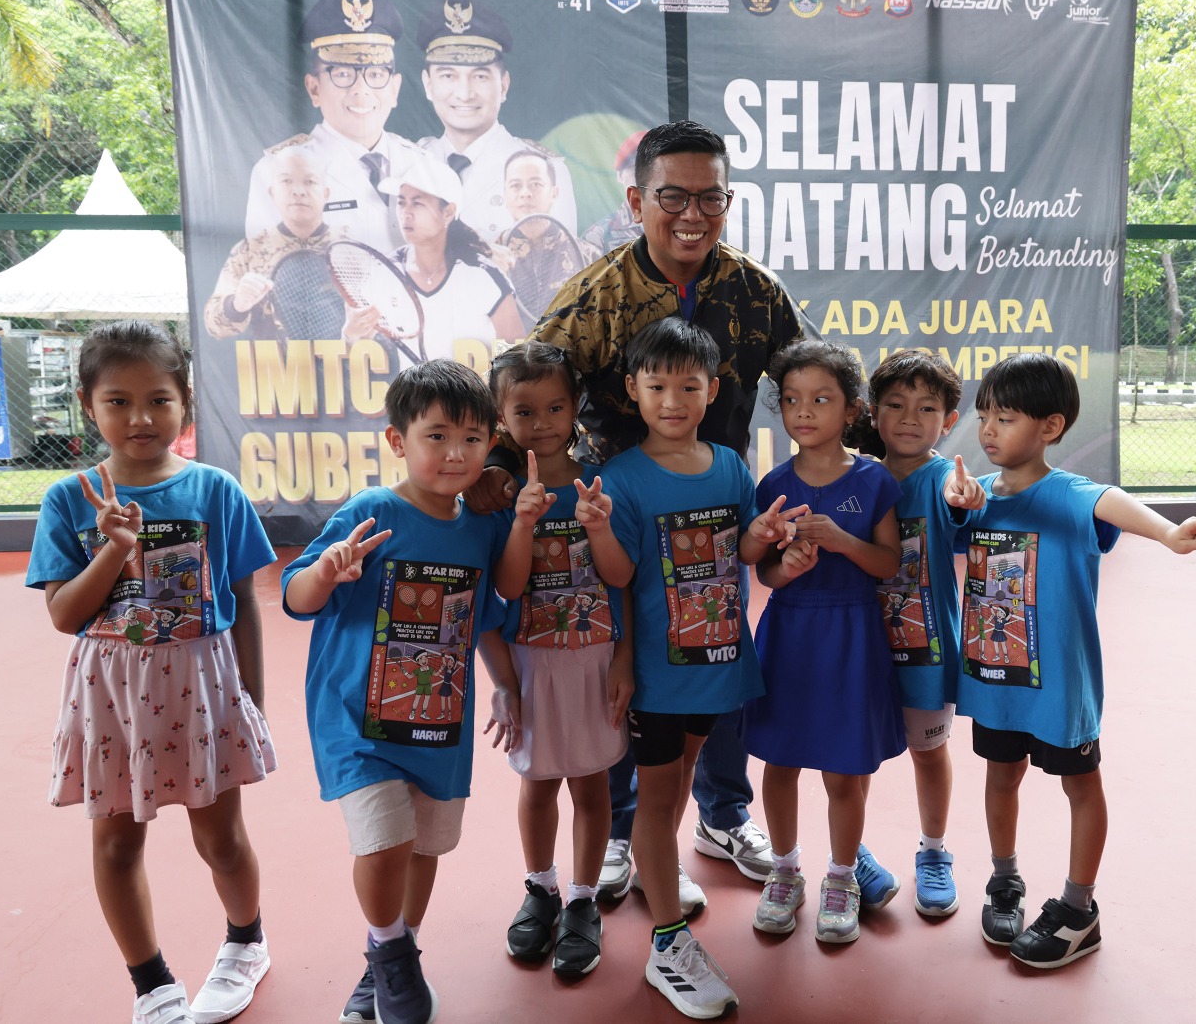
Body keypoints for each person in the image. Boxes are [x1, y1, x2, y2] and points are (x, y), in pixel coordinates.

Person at [468, 120, 807, 904]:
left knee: (718, 652)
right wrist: (490, 468)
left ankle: (723, 815)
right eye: (673, 197)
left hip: (714, 510)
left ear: (728, 202)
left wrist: (888, 460)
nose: (693, 214)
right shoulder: (595, 298)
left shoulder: (756, 292)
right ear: (635, 202)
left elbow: (809, 377)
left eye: (711, 198)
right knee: (631, 675)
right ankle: (627, 831)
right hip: (617, 515)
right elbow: (523, 386)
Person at [27, 320, 277, 1024]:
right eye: (118, 401)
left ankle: (246, 943)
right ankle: (152, 983)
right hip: (112, 695)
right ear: (88, 405)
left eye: (158, 399)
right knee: (115, 842)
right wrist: (114, 551)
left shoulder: (216, 490)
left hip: (204, 688)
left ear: (185, 401)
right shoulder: (69, 498)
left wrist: (251, 701)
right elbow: (64, 615)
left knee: (220, 838)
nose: (140, 418)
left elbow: (242, 602)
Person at [947, 353, 1196, 968]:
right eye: (984, 416)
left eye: (1005, 418)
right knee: (1000, 776)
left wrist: (1169, 534)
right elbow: (947, 513)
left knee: (1080, 785)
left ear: (1050, 426)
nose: (988, 430)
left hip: (1060, 687)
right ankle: (1004, 881)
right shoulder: (976, 496)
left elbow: (1112, 501)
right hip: (996, 679)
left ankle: (1078, 910)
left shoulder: (1072, 495)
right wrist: (957, 503)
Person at [573, 317, 804, 1019]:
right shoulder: (622, 477)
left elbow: (743, 554)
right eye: (657, 386)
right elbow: (620, 575)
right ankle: (667, 944)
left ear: (712, 391)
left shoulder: (730, 465)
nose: (672, 400)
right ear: (633, 390)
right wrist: (599, 529)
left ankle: (658, 871)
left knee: (680, 781)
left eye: (688, 386)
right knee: (655, 793)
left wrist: (760, 534)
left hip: (720, 661)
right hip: (658, 673)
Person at [281, 360, 523, 1024]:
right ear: (398, 440)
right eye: (436, 436)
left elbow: (485, 618)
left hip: (438, 720)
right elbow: (296, 596)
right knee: (384, 840)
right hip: (356, 721)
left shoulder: (483, 526)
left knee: (422, 846)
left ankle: (394, 953)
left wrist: (506, 686)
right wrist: (326, 573)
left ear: (491, 443)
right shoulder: (371, 512)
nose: (456, 454)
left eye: (472, 439)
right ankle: (389, 950)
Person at [743, 341, 904, 944]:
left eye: (820, 399)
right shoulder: (773, 484)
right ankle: (784, 873)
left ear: (852, 409)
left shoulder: (873, 478)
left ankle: (842, 877)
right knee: (779, 762)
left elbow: (887, 563)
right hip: (790, 633)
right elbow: (765, 573)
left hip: (853, 634)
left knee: (843, 771)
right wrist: (788, 569)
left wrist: (841, 541)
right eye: (791, 399)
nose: (804, 411)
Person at [487, 342, 633, 979]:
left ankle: (582, 898)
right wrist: (522, 523)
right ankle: (541, 888)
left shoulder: (602, 482)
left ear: (575, 408)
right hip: (533, 662)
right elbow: (507, 587)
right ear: (500, 416)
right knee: (538, 782)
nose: (541, 422)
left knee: (593, 785)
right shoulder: (494, 496)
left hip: (596, 658)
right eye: (524, 410)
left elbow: (623, 578)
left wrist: (597, 528)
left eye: (554, 407)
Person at [865, 349, 976, 917]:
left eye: (927, 408)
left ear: (949, 421)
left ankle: (933, 853)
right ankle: (849, 855)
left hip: (927, 652)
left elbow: (961, 507)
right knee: (851, 758)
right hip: (859, 650)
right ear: (873, 412)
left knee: (929, 753)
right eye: (896, 405)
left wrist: (964, 501)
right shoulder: (856, 477)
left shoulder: (943, 480)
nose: (910, 418)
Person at [244, 0, 421, 254]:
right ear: (314, 89)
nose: (361, 89)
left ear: (394, 89)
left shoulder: (424, 164)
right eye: (342, 74)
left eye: (375, 74)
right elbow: (270, 270)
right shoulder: (275, 171)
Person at [415, 0, 577, 245]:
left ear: (503, 85)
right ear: (428, 85)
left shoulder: (545, 170)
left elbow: (564, 265)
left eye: (479, 76)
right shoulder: (409, 164)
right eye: (448, 76)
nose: (464, 93)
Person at [344, 154, 525, 362]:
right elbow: (357, 352)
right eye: (401, 203)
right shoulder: (384, 272)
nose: (406, 213)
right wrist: (350, 335)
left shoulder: (483, 275)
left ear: (448, 212)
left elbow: (517, 356)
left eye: (417, 204)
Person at [206, 145, 340, 341]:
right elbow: (214, 327)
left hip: (341, 358)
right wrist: (237, 304)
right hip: (273, 360)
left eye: (310, 182)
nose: (298, 191)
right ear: (272, 192)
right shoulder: (250, 250)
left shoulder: (350, 248)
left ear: (326, 193)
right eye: (286, 181)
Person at [493, 149, 599, 329]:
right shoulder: (489, 258)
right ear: (505, 194)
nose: (525, 193)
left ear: (554, 192)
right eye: (515, 185)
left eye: (535, 184)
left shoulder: (588, 256)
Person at [580, 129, 646, 254]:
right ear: (619, 176)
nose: (644, 175)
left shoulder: (680, 223)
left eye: (653, 168)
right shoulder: (598, 237)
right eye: (634, 167)